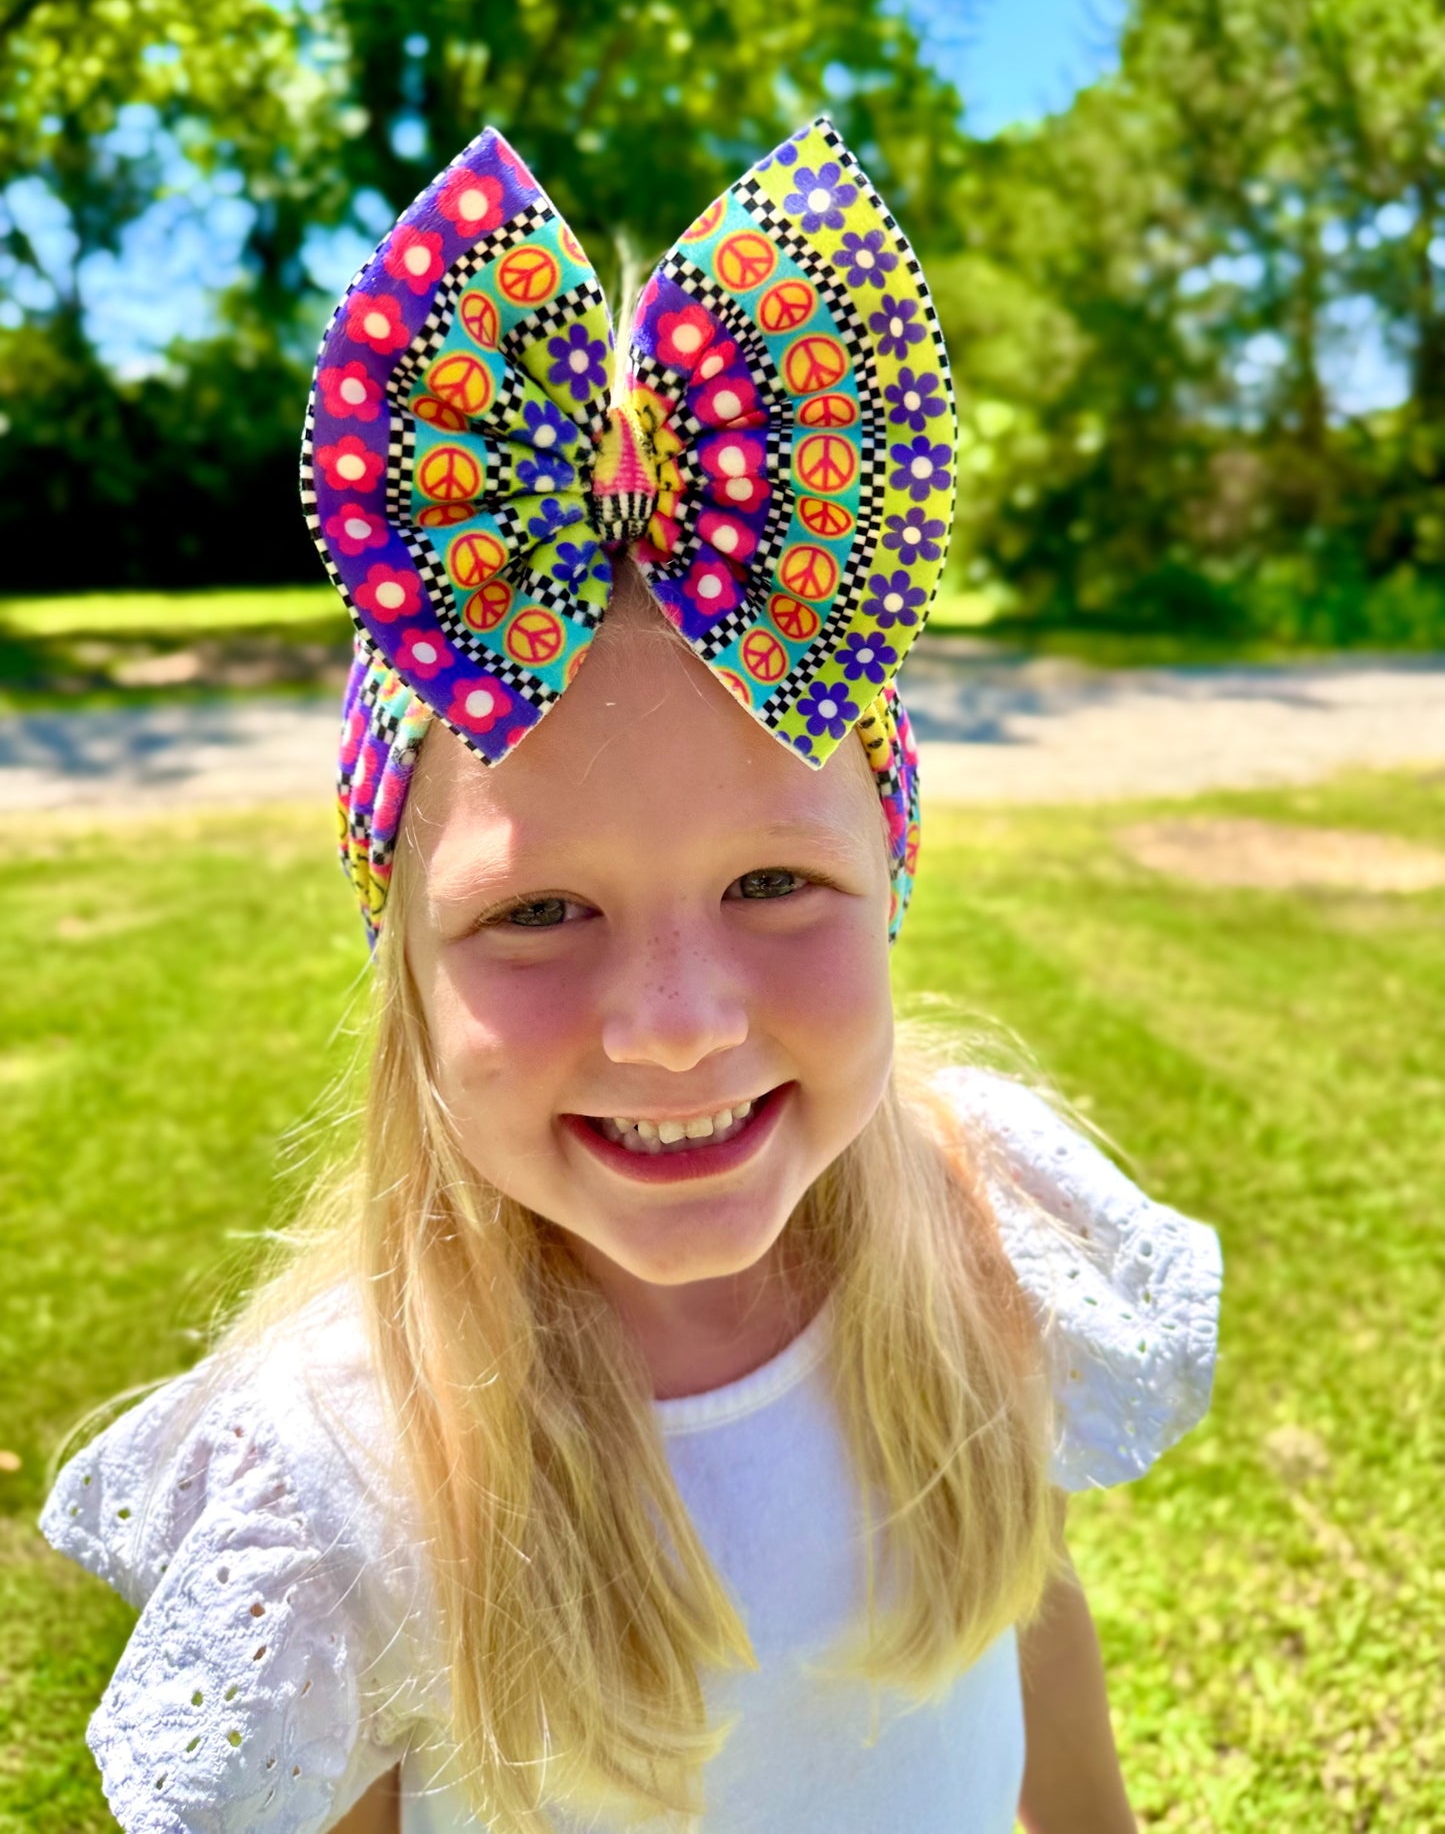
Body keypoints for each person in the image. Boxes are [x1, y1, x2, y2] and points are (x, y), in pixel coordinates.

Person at [40, 119, 1222, 1834]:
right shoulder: (353, 1467)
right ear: (403, 973)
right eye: (538, 913)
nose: (677, 1025)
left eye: (773, 883)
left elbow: (1025, 1626)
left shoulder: (979, 1248)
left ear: (889, 885)